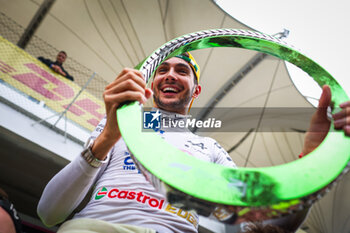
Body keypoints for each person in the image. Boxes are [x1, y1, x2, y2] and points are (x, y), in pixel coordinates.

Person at [37, 52, 350, 233]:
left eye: (182, 71)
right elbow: (49, 213)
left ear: (196, 90)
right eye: (163, 70)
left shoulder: (211, 150)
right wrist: (107, 138)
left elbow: (267, 225)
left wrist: (314, 162)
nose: (170, 75)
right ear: (152, 83)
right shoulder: (117, 125)